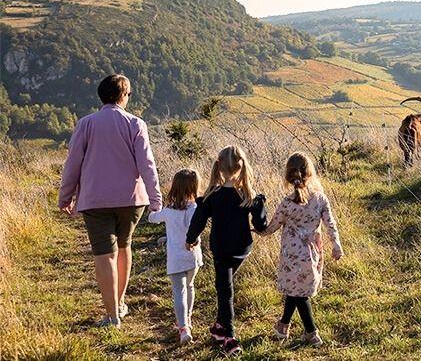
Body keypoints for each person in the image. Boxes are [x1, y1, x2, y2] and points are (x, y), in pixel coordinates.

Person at [58, 74, 162, 328]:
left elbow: (73, 164)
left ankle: (112, 315)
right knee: (124, 247)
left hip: (95, 200)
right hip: (131, 199)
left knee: (104, 254)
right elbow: (147, 165)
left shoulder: (85, 124)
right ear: (123, 95)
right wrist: (155, 198)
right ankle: (121, 302)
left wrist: (66, 196)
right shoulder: (136, 124)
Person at [185, 146, 267, 355]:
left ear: (219, 166)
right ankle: (219, 327)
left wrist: (190, 239)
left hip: (221, 248)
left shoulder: (213, 195)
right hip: (242, 248)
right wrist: (260, 224)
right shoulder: (249, 195)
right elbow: (259, 224)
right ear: (241, 167)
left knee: (225, 291)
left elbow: (198, 221)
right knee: (225, 286)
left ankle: (229, 337)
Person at [263, 152, 343, 347]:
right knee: (298, 289)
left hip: (291, 255)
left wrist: (255, 228)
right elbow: (330, 224)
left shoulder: (287, 203)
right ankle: (283, 326)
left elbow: (271, 228)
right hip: (312, 252)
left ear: (289, 176)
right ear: (310, 173)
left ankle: (311, 332)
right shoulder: (320, 199)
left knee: (298, 292)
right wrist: (336, 244)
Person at [148, 169, 204, 344]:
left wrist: (154, 207)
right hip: (193, 256)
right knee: (190, 286)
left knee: (178, 292)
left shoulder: (168, 211)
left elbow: (152, 218)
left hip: (176, 259)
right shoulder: (196, 208)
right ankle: (188, 319)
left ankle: (183, 327)